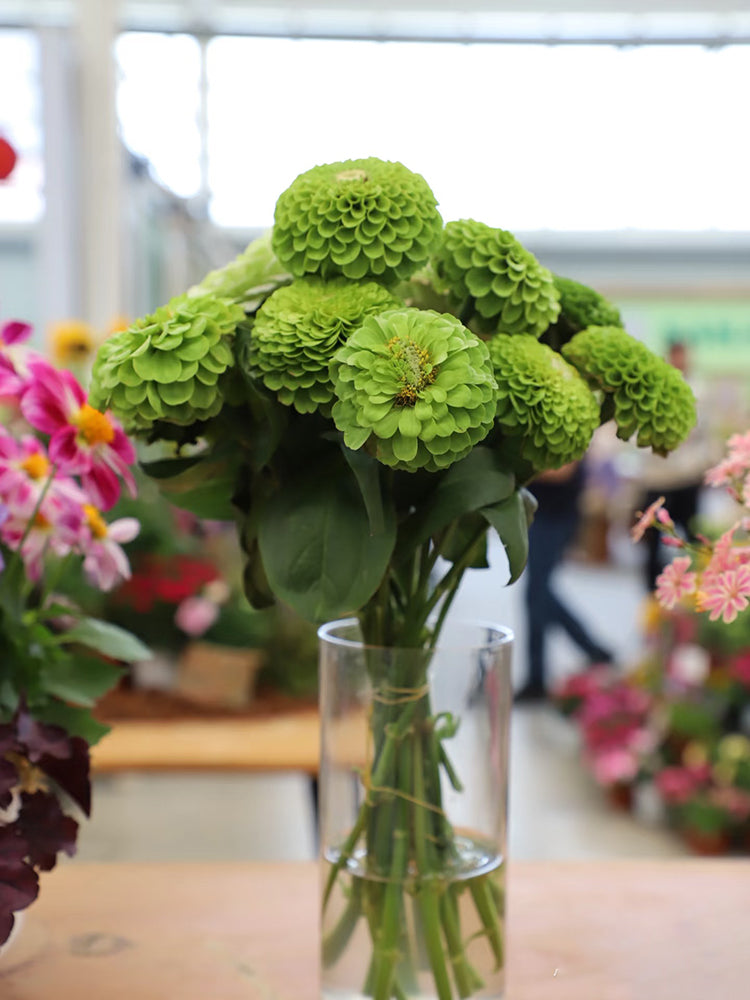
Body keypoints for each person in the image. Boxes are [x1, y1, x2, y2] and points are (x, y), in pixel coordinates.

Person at [516, 460, 614, 703]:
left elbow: (561, 470)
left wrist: (514, 466)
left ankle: (538, 678)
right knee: (538, 594)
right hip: (540, 512)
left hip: (554, 513)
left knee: (537, 593)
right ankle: (592, 651)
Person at [636, 341, 714, 591]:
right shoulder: (650, 392)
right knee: (652, 545)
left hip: (685, 479)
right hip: (656, 479)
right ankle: (653, 598)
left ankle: (697, 593)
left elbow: (705, 437)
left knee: (693, 538)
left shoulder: (699, 391)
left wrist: (700, 465)